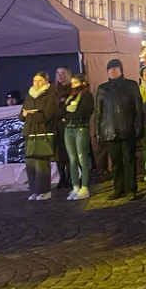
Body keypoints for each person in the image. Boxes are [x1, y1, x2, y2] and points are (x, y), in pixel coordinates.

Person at [95, 59, 145, 201]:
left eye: (116, 68)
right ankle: (118, 188)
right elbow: (99, 111)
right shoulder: (102, 89)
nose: (113, 71)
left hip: (127, 129)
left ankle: (131, 189)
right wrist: (98, 131)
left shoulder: (131, 85)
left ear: (121, 70)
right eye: (111, 69)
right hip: (110, 130)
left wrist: (139, 127)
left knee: (129, 160)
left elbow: (138, 108)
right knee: (116, 162)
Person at [20, 72, 60, 200]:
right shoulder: (29, 95)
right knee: (30, 162)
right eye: (35, 80)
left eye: (40, 81)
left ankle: (44, 191)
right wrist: (30, 114)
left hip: (43, 132)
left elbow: (49, 114)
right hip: (30, 132)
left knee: (41, 163)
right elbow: (21, 115)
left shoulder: (51, 95)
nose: (36, 83)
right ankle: (34, 190)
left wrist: (30, 114)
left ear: (46, 82)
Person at [61, 73, 94, 200]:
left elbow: (82, 112)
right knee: (72, 159)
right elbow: (61, 111)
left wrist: (67, 114)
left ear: (83, 83)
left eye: (75, 83)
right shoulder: (70, 96)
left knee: (82, 159)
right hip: (68, 129)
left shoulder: (86, 95)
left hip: (80, 128)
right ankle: (75, 187)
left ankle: (85, 187)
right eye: (72, 83)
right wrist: (68, 112)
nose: (73, 86)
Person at [52, 66, 73, 190]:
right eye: (58, 73)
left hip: (69, 123)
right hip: (57, 125)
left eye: (63, 73)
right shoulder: (53, 89)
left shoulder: (72, 88)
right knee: (59, 153)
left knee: (69, 151)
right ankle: (62, 177)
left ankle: (70, 177)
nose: (61, 75)